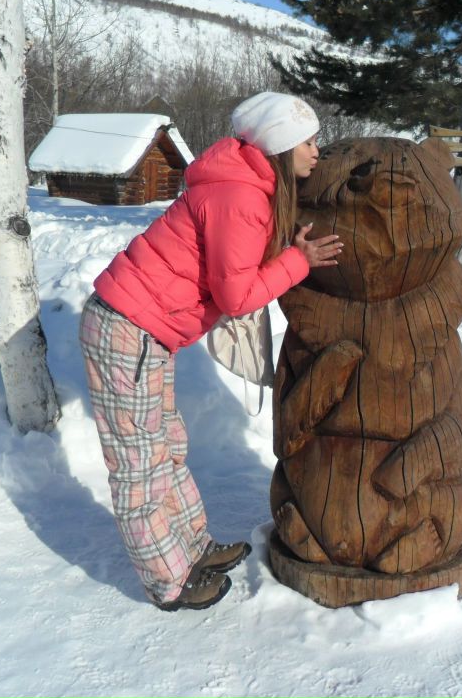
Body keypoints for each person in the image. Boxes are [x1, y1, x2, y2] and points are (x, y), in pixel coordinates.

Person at [78, 92, 343, 610]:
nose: (317, 150)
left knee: (167, 445)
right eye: (309, 141)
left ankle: (192, 547)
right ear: (281, 146)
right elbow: (237, 295)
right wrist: (299, 261)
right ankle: (168, 581)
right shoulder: (240, 195)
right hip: (126, 325)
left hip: (147, 328)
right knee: (138, 462)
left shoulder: (248, 186)